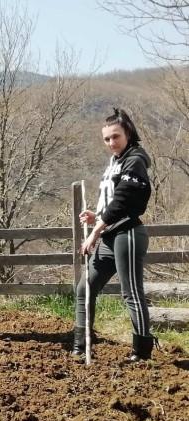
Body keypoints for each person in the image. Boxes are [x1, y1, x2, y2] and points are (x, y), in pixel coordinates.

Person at [74, 108, 156, 361]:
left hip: (127, 234)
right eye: (107, 139)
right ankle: (80, 344)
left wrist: (94, 232)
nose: (111, 143)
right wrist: (96, 216)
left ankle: (142, 351)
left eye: (115, 137)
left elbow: (122, 202)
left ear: (128, 133)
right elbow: (109, 200)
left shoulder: (135, 161)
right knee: (85, 288)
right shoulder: (115, 161)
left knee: (130, 291)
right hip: (109, 234)